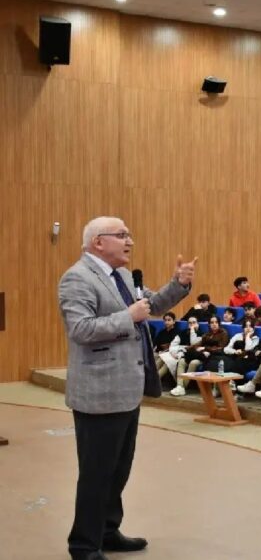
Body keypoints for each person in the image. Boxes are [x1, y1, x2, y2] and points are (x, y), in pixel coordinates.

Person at [58, 216, 194, 559]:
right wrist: (128, 317)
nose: (130, 241)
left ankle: (107, 531)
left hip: (126, 390)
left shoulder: (121, 276)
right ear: (98, 242)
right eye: (122, 235)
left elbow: (151, 306)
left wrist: (178, 284)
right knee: (96, 474)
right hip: (99, 392)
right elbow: (80, 329)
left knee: (118, 470)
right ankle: (83, 544)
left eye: (129, 235)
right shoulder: (77, 278)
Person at [168, 317, 204, 396]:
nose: (192, 325)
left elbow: (193, 342)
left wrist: (192, 331)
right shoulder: (183, 332)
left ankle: (182, 386)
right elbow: (173, 344)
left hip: (198, 356)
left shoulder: (202, 334)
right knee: (181, 361)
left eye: (194, 322)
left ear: (198, 324)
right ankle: (179, 386)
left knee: (193, 363)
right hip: (187, 355)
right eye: (190, 323)